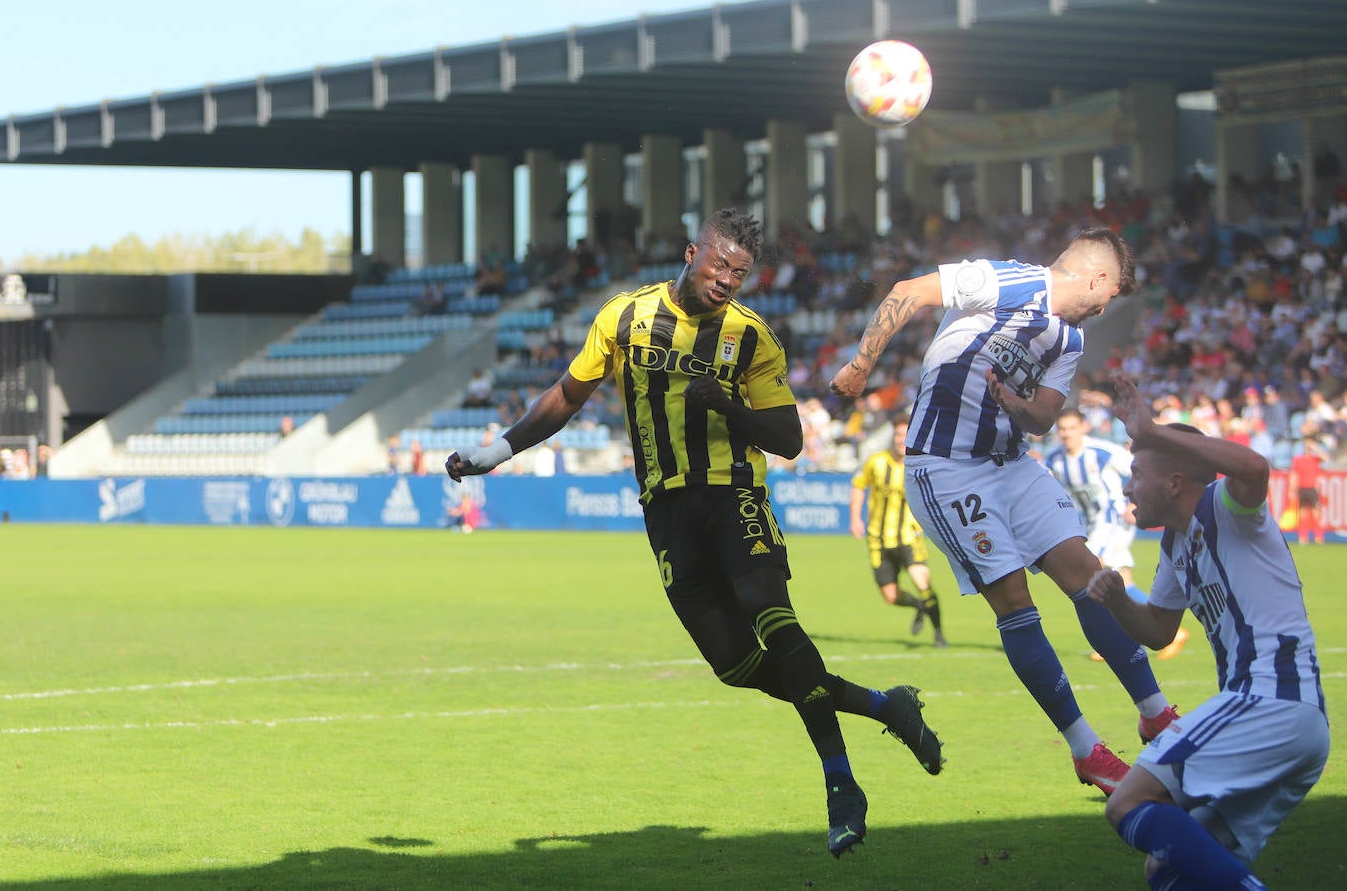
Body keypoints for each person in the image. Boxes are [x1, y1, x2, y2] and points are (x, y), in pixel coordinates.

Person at [447, 208, 943, 858]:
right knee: (738, 666)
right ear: (691, 253)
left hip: (733, 495)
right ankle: (886, 706)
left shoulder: (750, 337)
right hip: (667, 513)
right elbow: (567, 396)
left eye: (739, 272)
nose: (727, 279)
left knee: (777, 624)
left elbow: (789, 440)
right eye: (719, 264)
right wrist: (495, 452)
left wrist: (730, 408)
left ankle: (841, 785)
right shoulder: (624, 317)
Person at [830, 226, 1179, 797]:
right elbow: (910, 290)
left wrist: (1015, 404)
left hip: (1011, 463)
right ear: (1098, 279)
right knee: (1015, 600)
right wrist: (863, 363)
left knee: (1095, 578)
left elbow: (1044, 415)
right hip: (946, 466)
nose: (1109, 304)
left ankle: (1155, 712)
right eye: (1112, 292)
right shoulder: (1009, 280)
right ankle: (1086, 749)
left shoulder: (1069, 340)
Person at [1089, 373, 1329, 890]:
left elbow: (1253, 467)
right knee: (1169, 871)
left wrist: (1151, 432)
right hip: (1289, 717)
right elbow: (1156, 630)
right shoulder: (1176, 546)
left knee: (1128, 801)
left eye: (1136, 473)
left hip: (1271, 698)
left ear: (1175, 482)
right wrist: (1116, 601)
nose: (1128, 487)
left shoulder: (1226, 507)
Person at [1043, 408, 1188, 662]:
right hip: (1088, 524)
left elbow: (1139, 468)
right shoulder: (1055, 458)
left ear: (1083, 427)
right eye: (1062, 429)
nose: (1067, 433)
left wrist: (1136, 501)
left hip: (1112, 521)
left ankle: (1116, 638)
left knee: (1095, 571)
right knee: (1121, 580)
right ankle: (1165, 631)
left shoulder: (1101, 452)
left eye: (1072, 428)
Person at [849, 416, 947, 647]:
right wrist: (855, 518)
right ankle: (919, 606)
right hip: (878, 539)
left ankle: (939, 635)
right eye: (897, 435)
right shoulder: (876, 462)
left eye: (904, 435)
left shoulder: (920, 465)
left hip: (908, 537)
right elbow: (858, 486)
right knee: (891, 597)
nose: (900, 439)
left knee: (922, 582)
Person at [1288, 434, 1329, 544]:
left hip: (1313, 489)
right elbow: (1294, 474)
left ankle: (1319, 538)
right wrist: (1292, 489)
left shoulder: (1315, 459)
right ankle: (1303, 537)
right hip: (1302, 488)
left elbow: (1326, 458)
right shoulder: (1298, 459)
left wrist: (1315, 447)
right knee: (1302, 514)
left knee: (1316, 514)